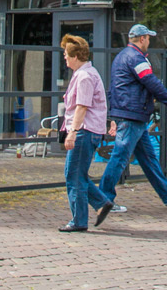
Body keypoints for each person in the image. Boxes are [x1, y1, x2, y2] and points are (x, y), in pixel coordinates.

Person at [96, 23, 167, 223]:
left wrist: (113, 115)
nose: (149, 41)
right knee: (120, 157)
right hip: (132, 115)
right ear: (142, 39)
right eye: (148, 38)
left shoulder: (121, 56)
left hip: (131, 115)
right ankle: (103, 200)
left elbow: (114, 88)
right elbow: (152, 83)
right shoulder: (136, 58)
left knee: (148, 158)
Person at [57, 34, 111, 232]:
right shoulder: (84, 74)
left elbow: (82, 107)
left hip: (84, 131)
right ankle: (102, 203)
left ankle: (79, 220)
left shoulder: (85, 77)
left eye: (66, 53)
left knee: (73, 176)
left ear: (75, 56)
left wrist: (72, 132)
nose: (64, 57)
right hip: (87, 130)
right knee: (77, 174)